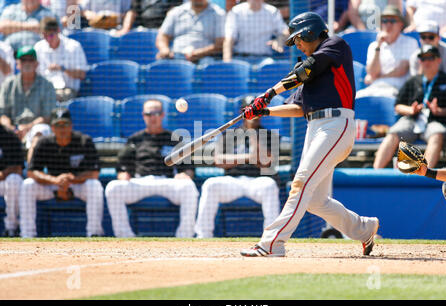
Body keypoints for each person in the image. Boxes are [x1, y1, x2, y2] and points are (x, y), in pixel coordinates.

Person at [239, 12, 380, 257]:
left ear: (310, 32)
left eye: (299, 39)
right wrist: (265, 111)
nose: (298, 45)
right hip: (315, 128)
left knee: (301, 181)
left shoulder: (334, 46)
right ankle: (364, 228)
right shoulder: (309, 71)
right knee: (315, 200)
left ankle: (272, 243)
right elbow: (298, 108)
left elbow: (306, 71)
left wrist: (269, 93)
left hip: (336, 125)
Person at [105, 99, 199, 238]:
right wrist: (123, 175)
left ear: (163, 115)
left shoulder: (174, 138)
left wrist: (185, 175)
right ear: (144, 115)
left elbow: (189, 168)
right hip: (141, 182)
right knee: (113, 187)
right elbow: (122, 166)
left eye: (157, 113)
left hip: (167, 182)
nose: (153, 117)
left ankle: (184, 236)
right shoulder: (135, 139)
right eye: (149, 114)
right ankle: (125, 236)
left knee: (189, 187)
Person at [194, 95, 281, 238]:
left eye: (257, 110)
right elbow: (219, 161)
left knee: (270, 186)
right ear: (243, 112)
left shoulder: (270, 135)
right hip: (232, 182)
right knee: (210, 184)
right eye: (251, 109)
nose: (254, 113)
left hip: (258, 181)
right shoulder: (229, 134)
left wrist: (252, 133)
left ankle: (270, 237)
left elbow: (266, 162)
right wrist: (247, 157)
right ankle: (203, 235)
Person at [19, 107, 104, 238]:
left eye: (65, 124)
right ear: (52, 128)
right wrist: (55, 180)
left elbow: (94, 173)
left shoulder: (83, 141)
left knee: (95, 186)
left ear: (71, 126)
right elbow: (32, 172)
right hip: (51, 184)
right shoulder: (44, 142)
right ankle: (27, 234)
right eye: (58, 125)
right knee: (27, 185)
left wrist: (72, 179)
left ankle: (94, 233)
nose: (62, 129)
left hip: (77, 184)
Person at [373, 45, 446, 169]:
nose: (426, 62)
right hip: (412, 119)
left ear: (438, 60)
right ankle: (375, 175)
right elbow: (397, 105)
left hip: (436, 120)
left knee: (437, 134)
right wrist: (410, 110)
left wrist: (440, 111)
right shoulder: (413, 80)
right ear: (419, 61)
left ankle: (424, 176)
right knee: (392, 134)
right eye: (423, 59)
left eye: (430, 58)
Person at [0, 45, 56, 161]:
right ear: (17, 64)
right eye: (23, 60)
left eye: (30, 60)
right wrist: (10, 128)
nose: (27, 63)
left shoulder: (47, 85)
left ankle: (32, 168)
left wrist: (27, 128)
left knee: (41, 129)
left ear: (36, 64)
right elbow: (3, 114)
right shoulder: (8, 84)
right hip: (13, 130)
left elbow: (47, 116)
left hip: (34, 128)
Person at [356, 5, 418, 99]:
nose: (388, 25)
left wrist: (378, 77)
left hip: (397, 91)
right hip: (375, 88)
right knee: (356, 98)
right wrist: (378, 46)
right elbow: (372, 73)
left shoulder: (410, 42)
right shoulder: (374, 45)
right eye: (384, 21)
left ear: (401, 24)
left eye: (392, 21)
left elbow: (402, 69)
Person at [34, 17, 88, 102]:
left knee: (51, 98)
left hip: (68, 90)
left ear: (58, 31)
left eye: (51, 35)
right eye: (44, 35)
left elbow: (82, 74)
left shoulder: (73, 47)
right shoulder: (38, 47)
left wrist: (62, 69)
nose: (48, 39)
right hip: (44, 89)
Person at [155, 0, 225, 64]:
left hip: (206, 57)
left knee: (208, 64)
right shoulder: (176, 12)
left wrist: (199, 53)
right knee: (161, 64)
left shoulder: (218, 14)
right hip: (176, 55)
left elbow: (220, 44)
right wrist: (164, 49)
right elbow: (162, 36)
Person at [222, 0, 289, 65]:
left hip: (265, 59)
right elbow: (228, 39)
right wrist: (227, 62)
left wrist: (279, 40)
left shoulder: (272, 11)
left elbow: (285, 31)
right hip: (240, 58)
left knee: (271, 67)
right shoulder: (236, 11)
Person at [0, 124, 23, 237]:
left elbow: (17, 168)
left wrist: (2, 174)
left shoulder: (9, 136)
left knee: (14, 180)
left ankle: (12, 228)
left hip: (3, 182)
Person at [115, 0, 183, 36]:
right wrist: (125, 29)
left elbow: (172, 13)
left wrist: (163, 29)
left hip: (163, 30)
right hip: (142, 28)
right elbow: (132, 11)